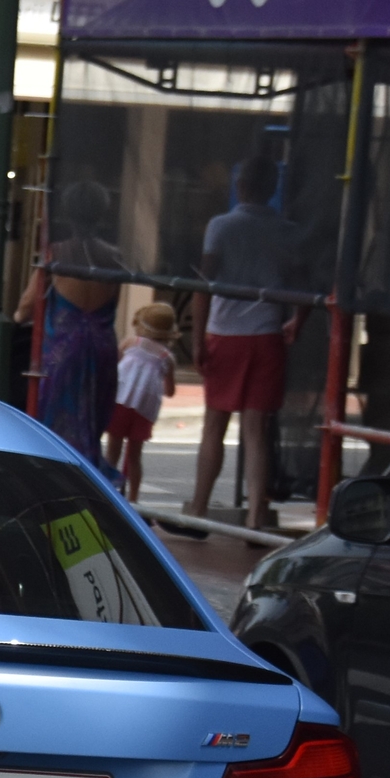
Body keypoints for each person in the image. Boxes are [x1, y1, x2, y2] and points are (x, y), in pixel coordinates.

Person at [188, 155, 302, 532]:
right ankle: (255, 517)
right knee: (256, 431)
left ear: (240, 186)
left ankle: (199, 510)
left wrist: (197, 336)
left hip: (225, 334)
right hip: (267, 334)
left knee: (213, 427)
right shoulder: (287, 231)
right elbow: (305, 283)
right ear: (272, 190)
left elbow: (204, 284)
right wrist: (297, 320)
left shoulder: (220, 226)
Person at [14, 181, 125, 466]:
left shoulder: (57, 253)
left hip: (64, 350)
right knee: (92, 425)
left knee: (54, 430)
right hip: (102, 348)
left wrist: (17, 318)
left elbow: (26, 306)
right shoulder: (114, 256)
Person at [105, 303, 180, 502]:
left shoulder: (131, 343)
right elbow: (170, 391)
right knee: (135, 457)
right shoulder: (167, 358)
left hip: (120, 401)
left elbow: (114, 367)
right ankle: (134, 499)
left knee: (113, 450)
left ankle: (106, 492)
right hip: (144, 411)